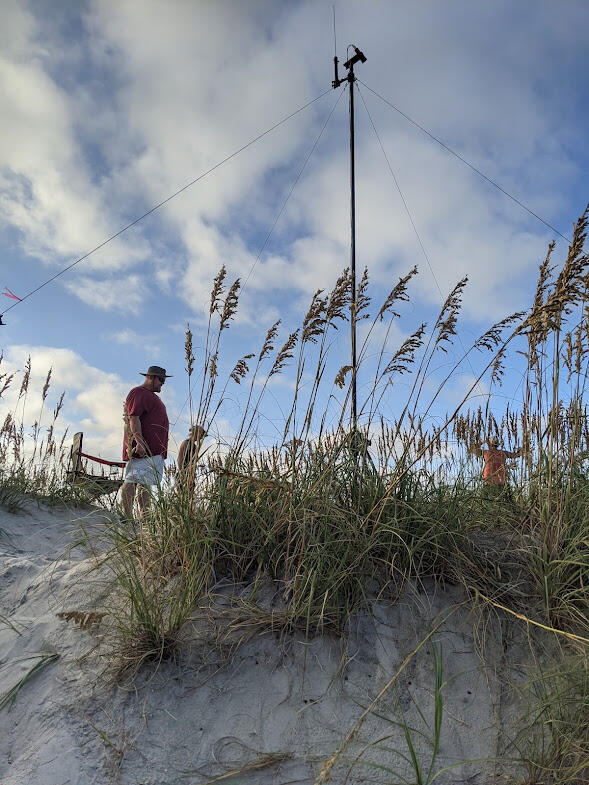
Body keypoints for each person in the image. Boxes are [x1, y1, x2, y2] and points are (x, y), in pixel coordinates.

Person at [121, 365, 172, 520]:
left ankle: (146, 518)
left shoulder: (152, 396)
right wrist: (139, 442)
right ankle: (127, 517)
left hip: (154, 451)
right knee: (132, 479)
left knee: (145, 484)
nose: (163, 383)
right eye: (161, 379)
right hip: (143, 449)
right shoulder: (139, 392)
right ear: (151, 377)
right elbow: (133, 417)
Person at [177, 424, 206, 491]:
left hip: (190, 476)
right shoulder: (186, 443)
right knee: (182, 495)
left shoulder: (195, 446)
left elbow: (194, 461)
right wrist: (181, 473)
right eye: (201, 435)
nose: (202, 438)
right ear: (196, 434)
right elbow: (180, 459)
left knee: (190, 496)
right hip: (183, 474)